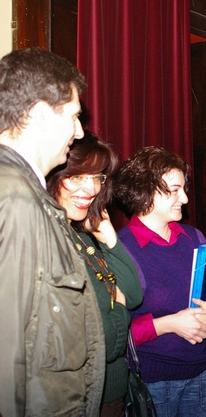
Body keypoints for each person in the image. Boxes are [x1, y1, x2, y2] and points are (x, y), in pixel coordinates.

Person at [0, 48, 106, 416]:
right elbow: (6, 350)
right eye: (74, 116)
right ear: (42, 115)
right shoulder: (16, 199)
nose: (78, 131)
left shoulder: (26, 192)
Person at [113, 146, 206, 417]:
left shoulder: (194, 237)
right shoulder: (121, 250)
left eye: (183, 188)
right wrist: (169, 324)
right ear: (145, 191)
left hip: (202, 373)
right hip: (153, 382)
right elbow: (115, 334)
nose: (185, 197)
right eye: (175, 190)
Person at [46, 131, 143, 416]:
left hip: (112, 393)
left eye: (97, 177)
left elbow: (134, 294)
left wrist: (109, 237)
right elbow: (97, 341)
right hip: (83, 400)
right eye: (77, 177)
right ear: (53, 178)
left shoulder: (82, 237)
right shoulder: (52, 241)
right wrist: (120, 310)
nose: (90, 189)